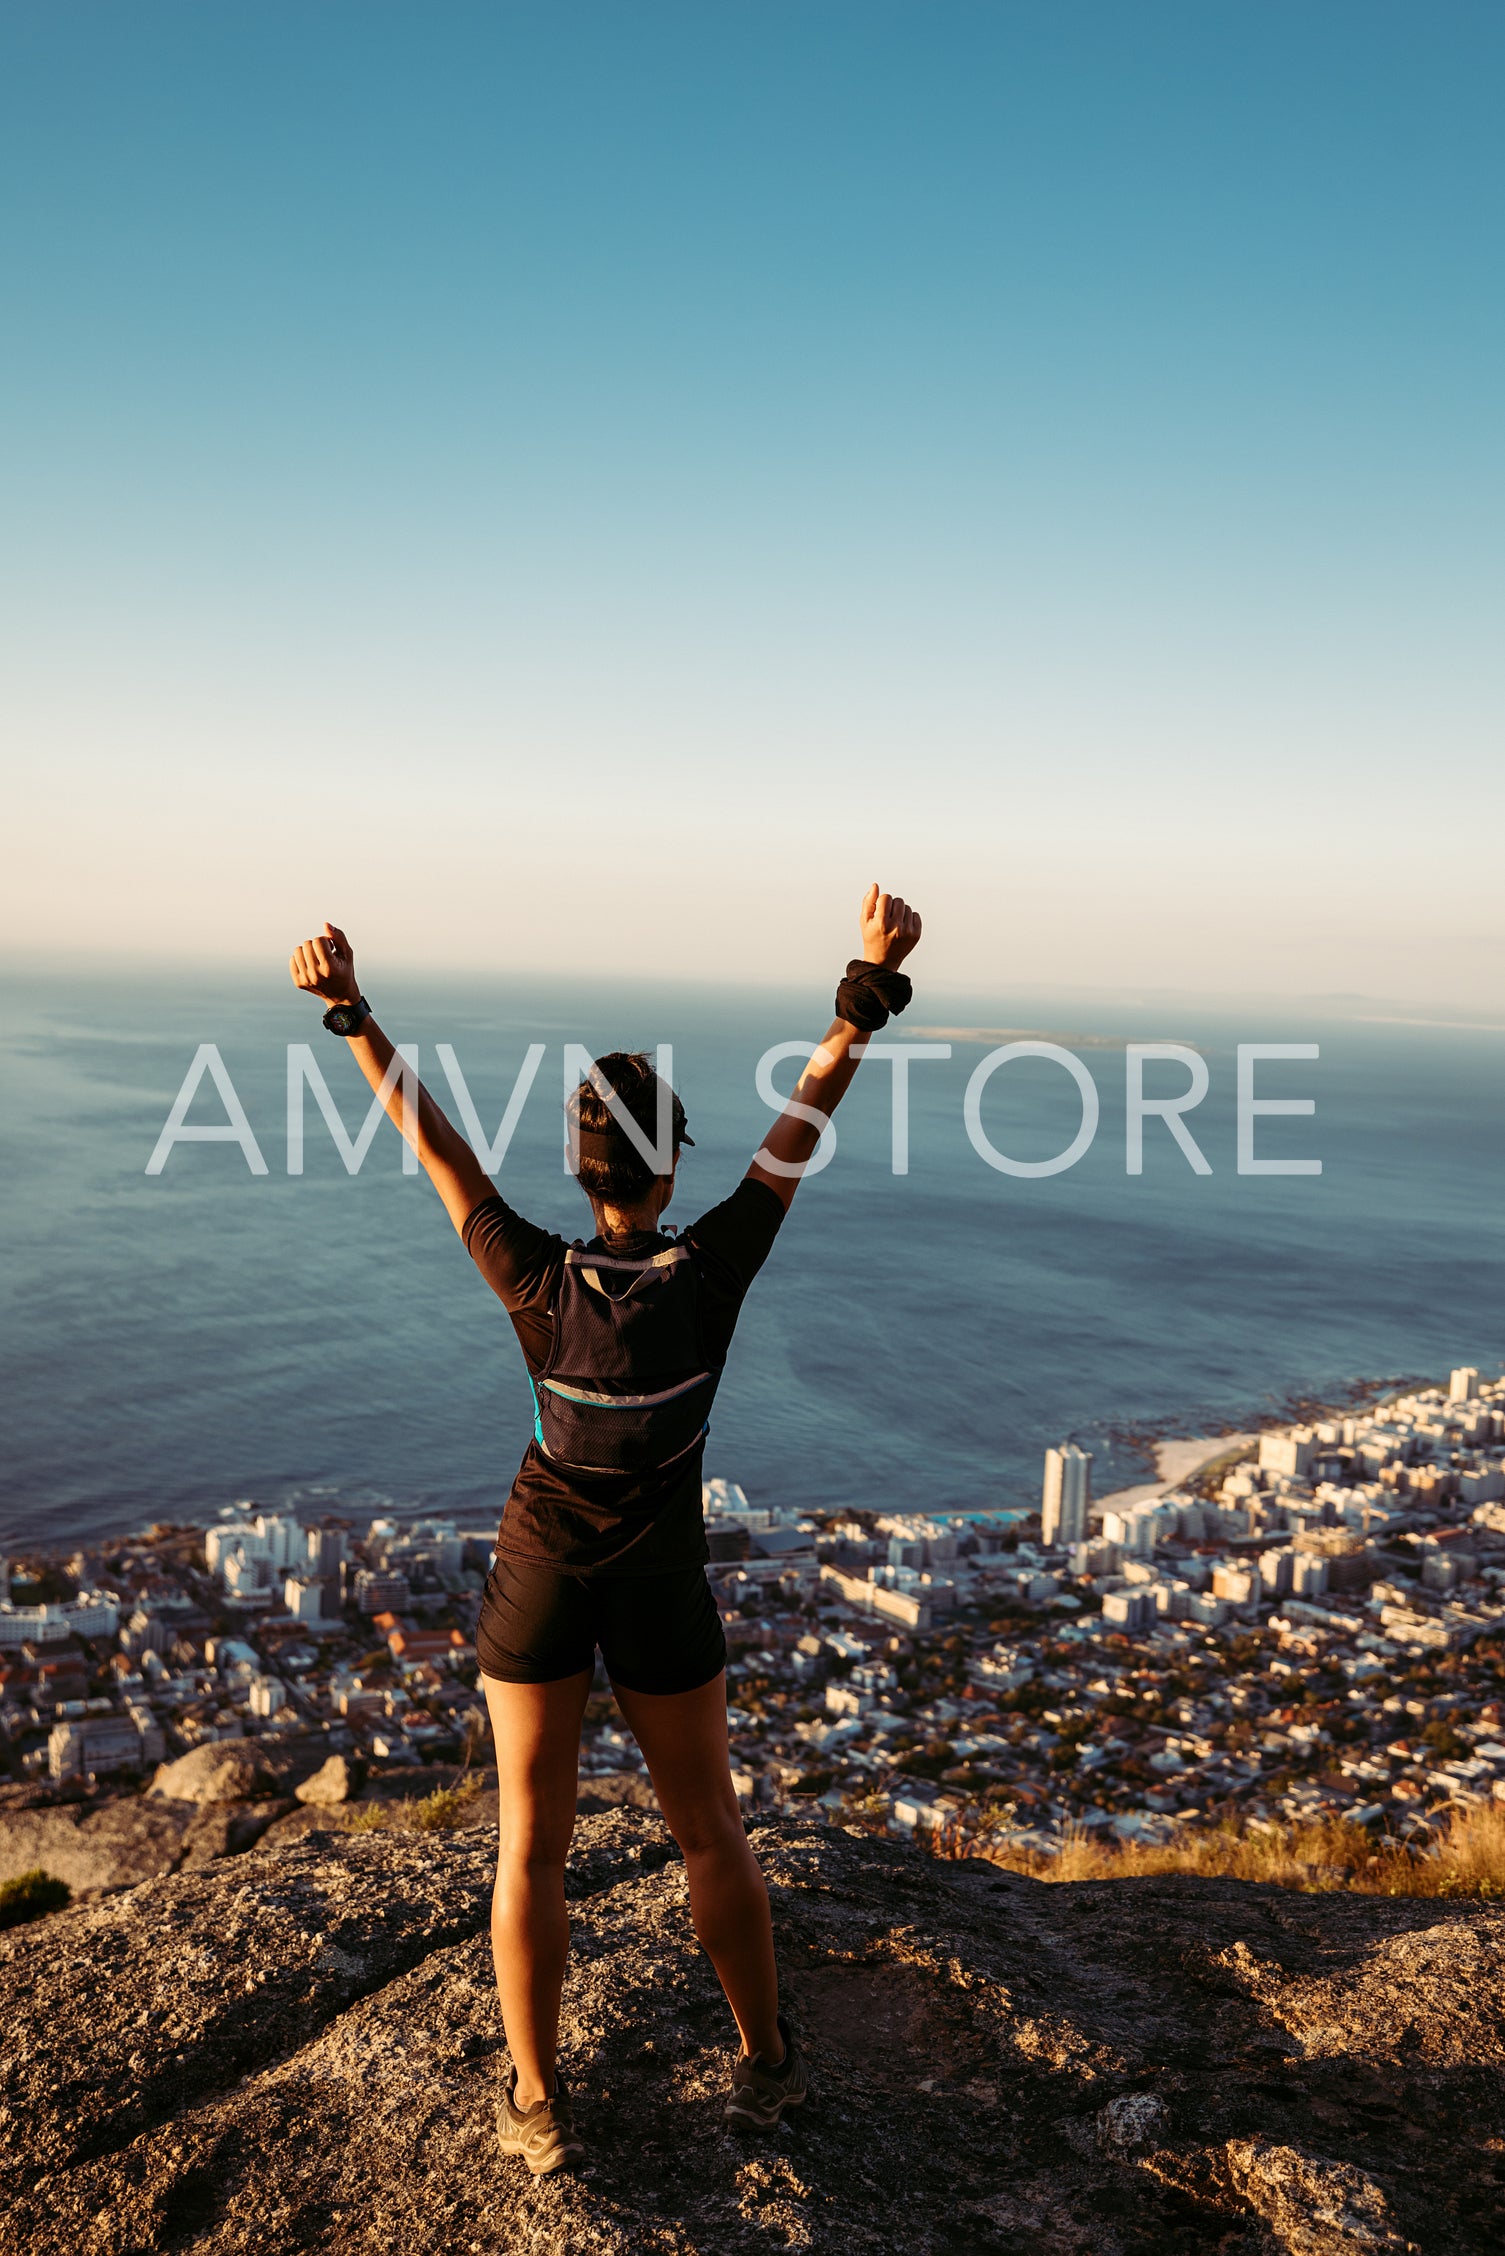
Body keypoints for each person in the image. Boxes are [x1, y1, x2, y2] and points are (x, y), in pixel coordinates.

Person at [287, 884, 923, 2174]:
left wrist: (351, 1011)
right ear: (670, 1163)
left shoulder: (533, 1273)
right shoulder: (716, 1269)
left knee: (532, 1843)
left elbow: (437, 1148)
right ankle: (764, 2063)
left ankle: (538, 2101)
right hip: (662, 1580)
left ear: (583, 1169)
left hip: (539, 1571)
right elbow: (803, 1124)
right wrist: (864, 986)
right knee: (708, 1831)